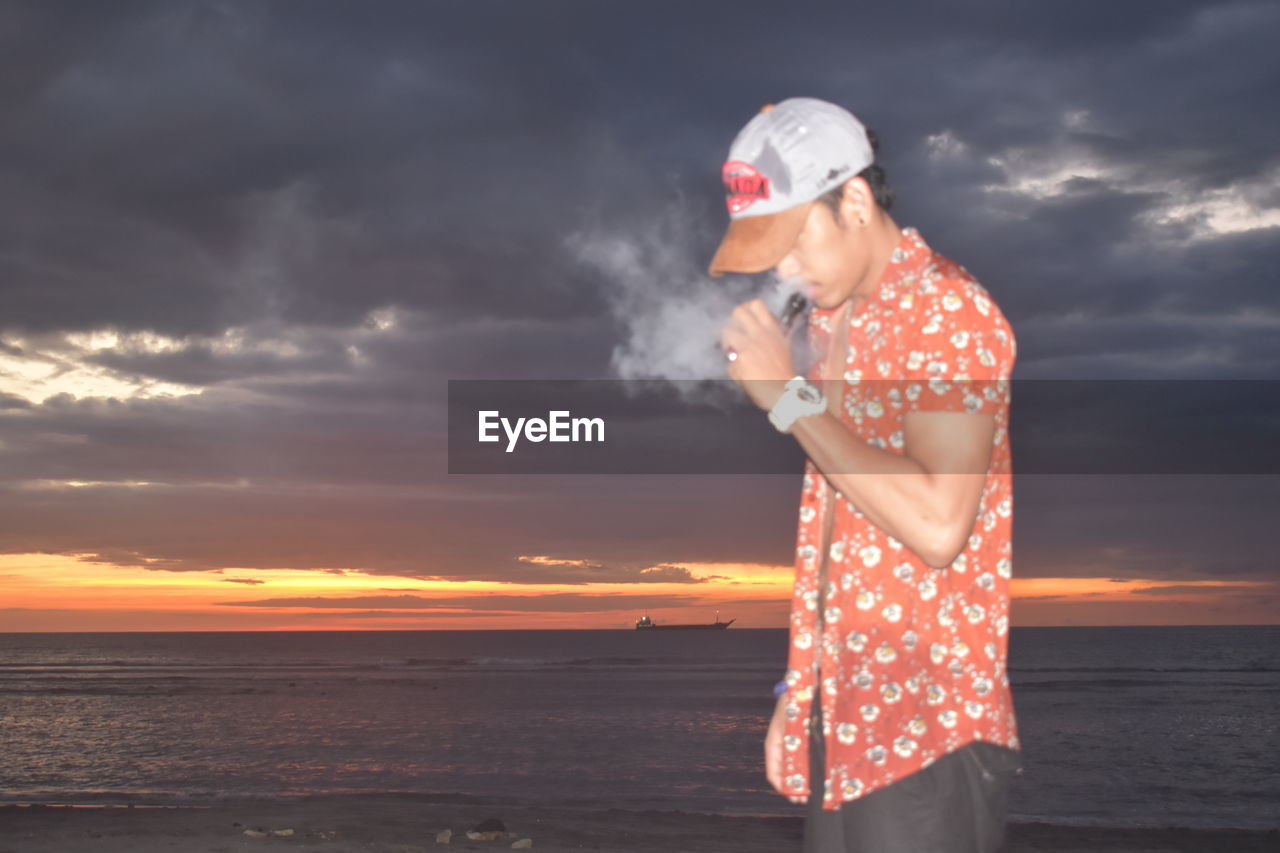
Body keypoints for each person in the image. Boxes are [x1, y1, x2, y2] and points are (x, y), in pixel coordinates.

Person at [711, 98, 1022, 852]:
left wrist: (789, 398)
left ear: (853, 199)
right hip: (844, 720)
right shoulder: (827, 323)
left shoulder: (945, 310)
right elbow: (836, 532)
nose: (783, 267)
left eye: (791, 239)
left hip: (926, 728)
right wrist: (798, 693)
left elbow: (938, 525)